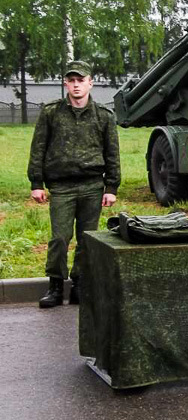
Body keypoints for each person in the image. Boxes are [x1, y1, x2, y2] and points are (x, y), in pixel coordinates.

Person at [27, 60, 120, 308]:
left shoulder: (104, 116)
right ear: (66, 83)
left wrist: (111, 187)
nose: (76, 85)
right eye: (72, 80)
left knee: (87, 238)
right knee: (60, 237)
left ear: (91, 82)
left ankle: (80, 284)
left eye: (81, 80)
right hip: (62, 187)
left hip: (92, 185)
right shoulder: (51, 112)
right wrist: (36, 183)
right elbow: (38, 149)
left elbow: (112, 153)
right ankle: (55, 285)